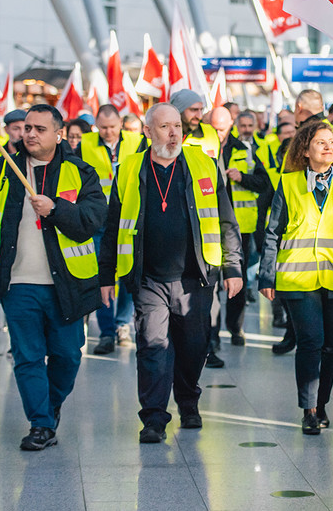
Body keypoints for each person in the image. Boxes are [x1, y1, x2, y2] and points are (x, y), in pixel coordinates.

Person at [0, 104, 106, 451]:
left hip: (66, 285)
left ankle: (50, 404)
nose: (29, 134)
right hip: (17, 282)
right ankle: (40, 423)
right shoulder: (3, 169)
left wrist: (56, 209)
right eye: (27, 128)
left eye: (39, 129)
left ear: (58, 134)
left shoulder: (80, 171)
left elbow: (94, 218)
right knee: (27, 355)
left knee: (68, 355)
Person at [98, 103, 243, 444]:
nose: (174, 132)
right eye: (165, 127)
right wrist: (107, 276)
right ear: (148, 132)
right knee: (152, 346)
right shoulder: (129, 169)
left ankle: (188, 400)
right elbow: (113, 226)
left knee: (195, 346)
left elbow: (226, 220)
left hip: (196, 277)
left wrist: (233, 266)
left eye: (177, 125)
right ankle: (153, 418)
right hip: (148, 277)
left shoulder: (203, 164)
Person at [259, 119, 333, 434]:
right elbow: (273, 232)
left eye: (332, 142)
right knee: (311, 341)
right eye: (320, 141)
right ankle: (308, 409)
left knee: (330, 346)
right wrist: (267, 277)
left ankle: (321, 404)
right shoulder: (289, 182)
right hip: (297, 278)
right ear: (305, 150)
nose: (328, 146)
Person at [76, 104, 146, 355]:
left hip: (127, 217)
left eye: (112, 127)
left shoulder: (137, 141)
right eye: (103, 128)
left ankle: (122, 325)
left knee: (127, 272)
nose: (108, 132)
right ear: (96, 125)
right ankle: (106, 332)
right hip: (96, 220)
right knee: (100, 275)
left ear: (121, 124)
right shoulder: (84, 144)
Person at [214, 108, 270, 352]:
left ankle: (235, 327)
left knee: (236, 279)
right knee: (212, 284)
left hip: (240, 226)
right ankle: (212, 335)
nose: (219, 133)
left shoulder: (243, 150)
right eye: (215, 128)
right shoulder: (199, 147)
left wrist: (241, 177)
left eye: (223, 127)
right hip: (210, 225)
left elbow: (263, 183)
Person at [172, 89, 221, 158]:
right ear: (178, 111)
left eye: (201, 110)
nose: (199, 116)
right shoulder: (161, 133)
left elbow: (217, 165)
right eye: (194, 110)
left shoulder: (210, 132)